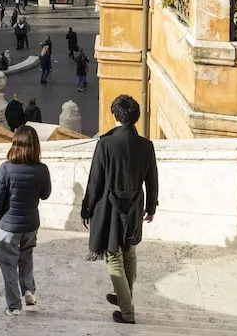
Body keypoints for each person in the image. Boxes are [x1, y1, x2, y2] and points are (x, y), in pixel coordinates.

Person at [81, 94, 158, 326]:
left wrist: (87, 209)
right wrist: (151, 207)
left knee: (114, 255)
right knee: (129, 250)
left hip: (111, 209)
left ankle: (127, 311)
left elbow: (95, 182)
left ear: (116, 116)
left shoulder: (105, 144)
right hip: (135, 206)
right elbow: (152, 180)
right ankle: (125, 295)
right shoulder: (146, 145)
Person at [0, 124, 52, 316]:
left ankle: (14, 305)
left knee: (8, 265)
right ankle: (29, 291)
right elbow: (45, 194)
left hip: (9, 226)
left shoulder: (6, 169)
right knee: (26, 258)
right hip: (31, 225)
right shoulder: (42, 169)